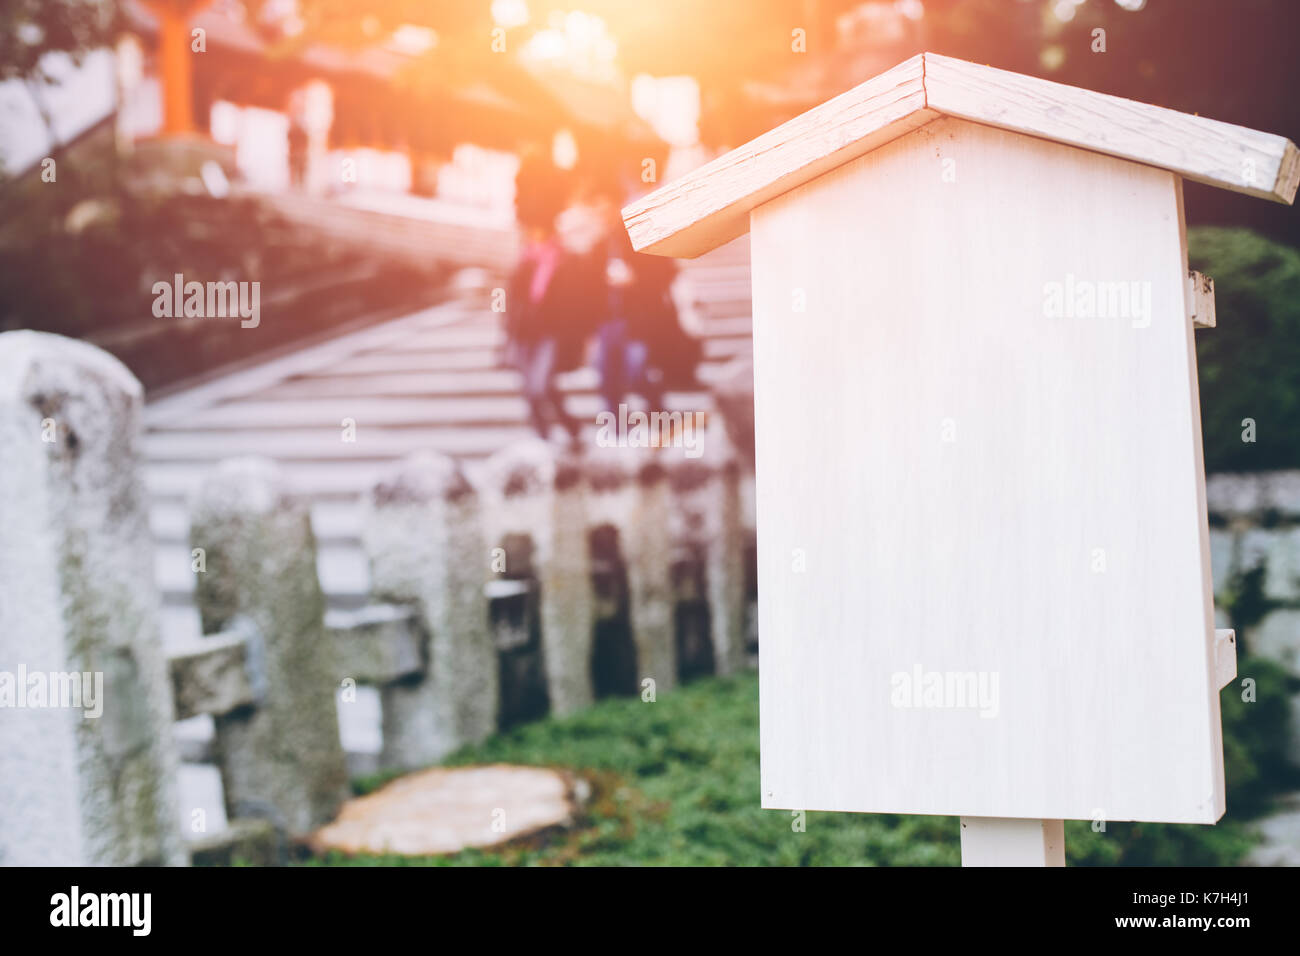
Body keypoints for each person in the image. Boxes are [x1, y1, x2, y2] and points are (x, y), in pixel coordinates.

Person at [506, 152, 604, 447]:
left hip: (550, 332)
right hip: (526, 332)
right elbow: (514, 299)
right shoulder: (525, 259)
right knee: (534, 389)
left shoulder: (564, 257)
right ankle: (559, 434)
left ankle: (552, 437)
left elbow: (581, 299)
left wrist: (584, 335)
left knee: (539, 386)